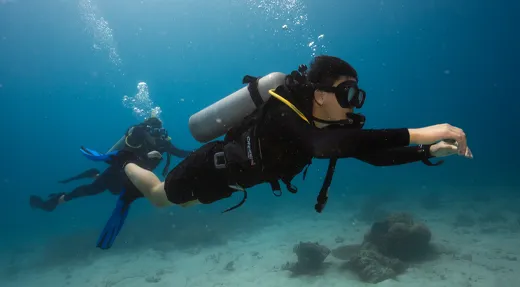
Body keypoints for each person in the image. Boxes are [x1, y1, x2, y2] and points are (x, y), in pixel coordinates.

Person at [109, 55, 472, 247]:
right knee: (160, 198)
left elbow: (373, 155)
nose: (353, 104)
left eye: (357, 96)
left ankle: (137, 175)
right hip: (210, 167)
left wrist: (429, 152)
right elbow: (323, 147)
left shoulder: (327, 126)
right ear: (319, 94)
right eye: (348, 94)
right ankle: (127, 162)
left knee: (184, 205)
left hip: (236, 183)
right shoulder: (285, 112)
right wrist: (421, 133)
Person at [29, 116, 192, 213]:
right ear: (145, 131)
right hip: (117, 172)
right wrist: (144, 156)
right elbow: (122, 156)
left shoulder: (163, 144)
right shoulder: (136, 138)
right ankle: (55, 201)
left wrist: (205, 152)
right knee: (94, 189)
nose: (157, 136)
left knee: (117, 191)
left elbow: (182, 153)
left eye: (160, 132)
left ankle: (95, 174)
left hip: (133, 181)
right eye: (153, 132)